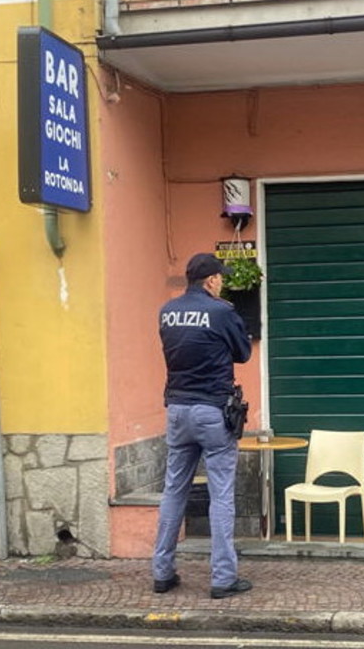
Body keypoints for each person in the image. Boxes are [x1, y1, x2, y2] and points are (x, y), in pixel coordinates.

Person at [152, 252, 253, 599]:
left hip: (177, 410)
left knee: (173, 490)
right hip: (212, 410)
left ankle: (162, 573)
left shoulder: (167, 311)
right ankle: (223, 578)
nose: (223, 281)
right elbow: (243, 353)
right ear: (210, 280)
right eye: (220, 277)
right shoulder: (221, 311)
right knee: (220, 495)